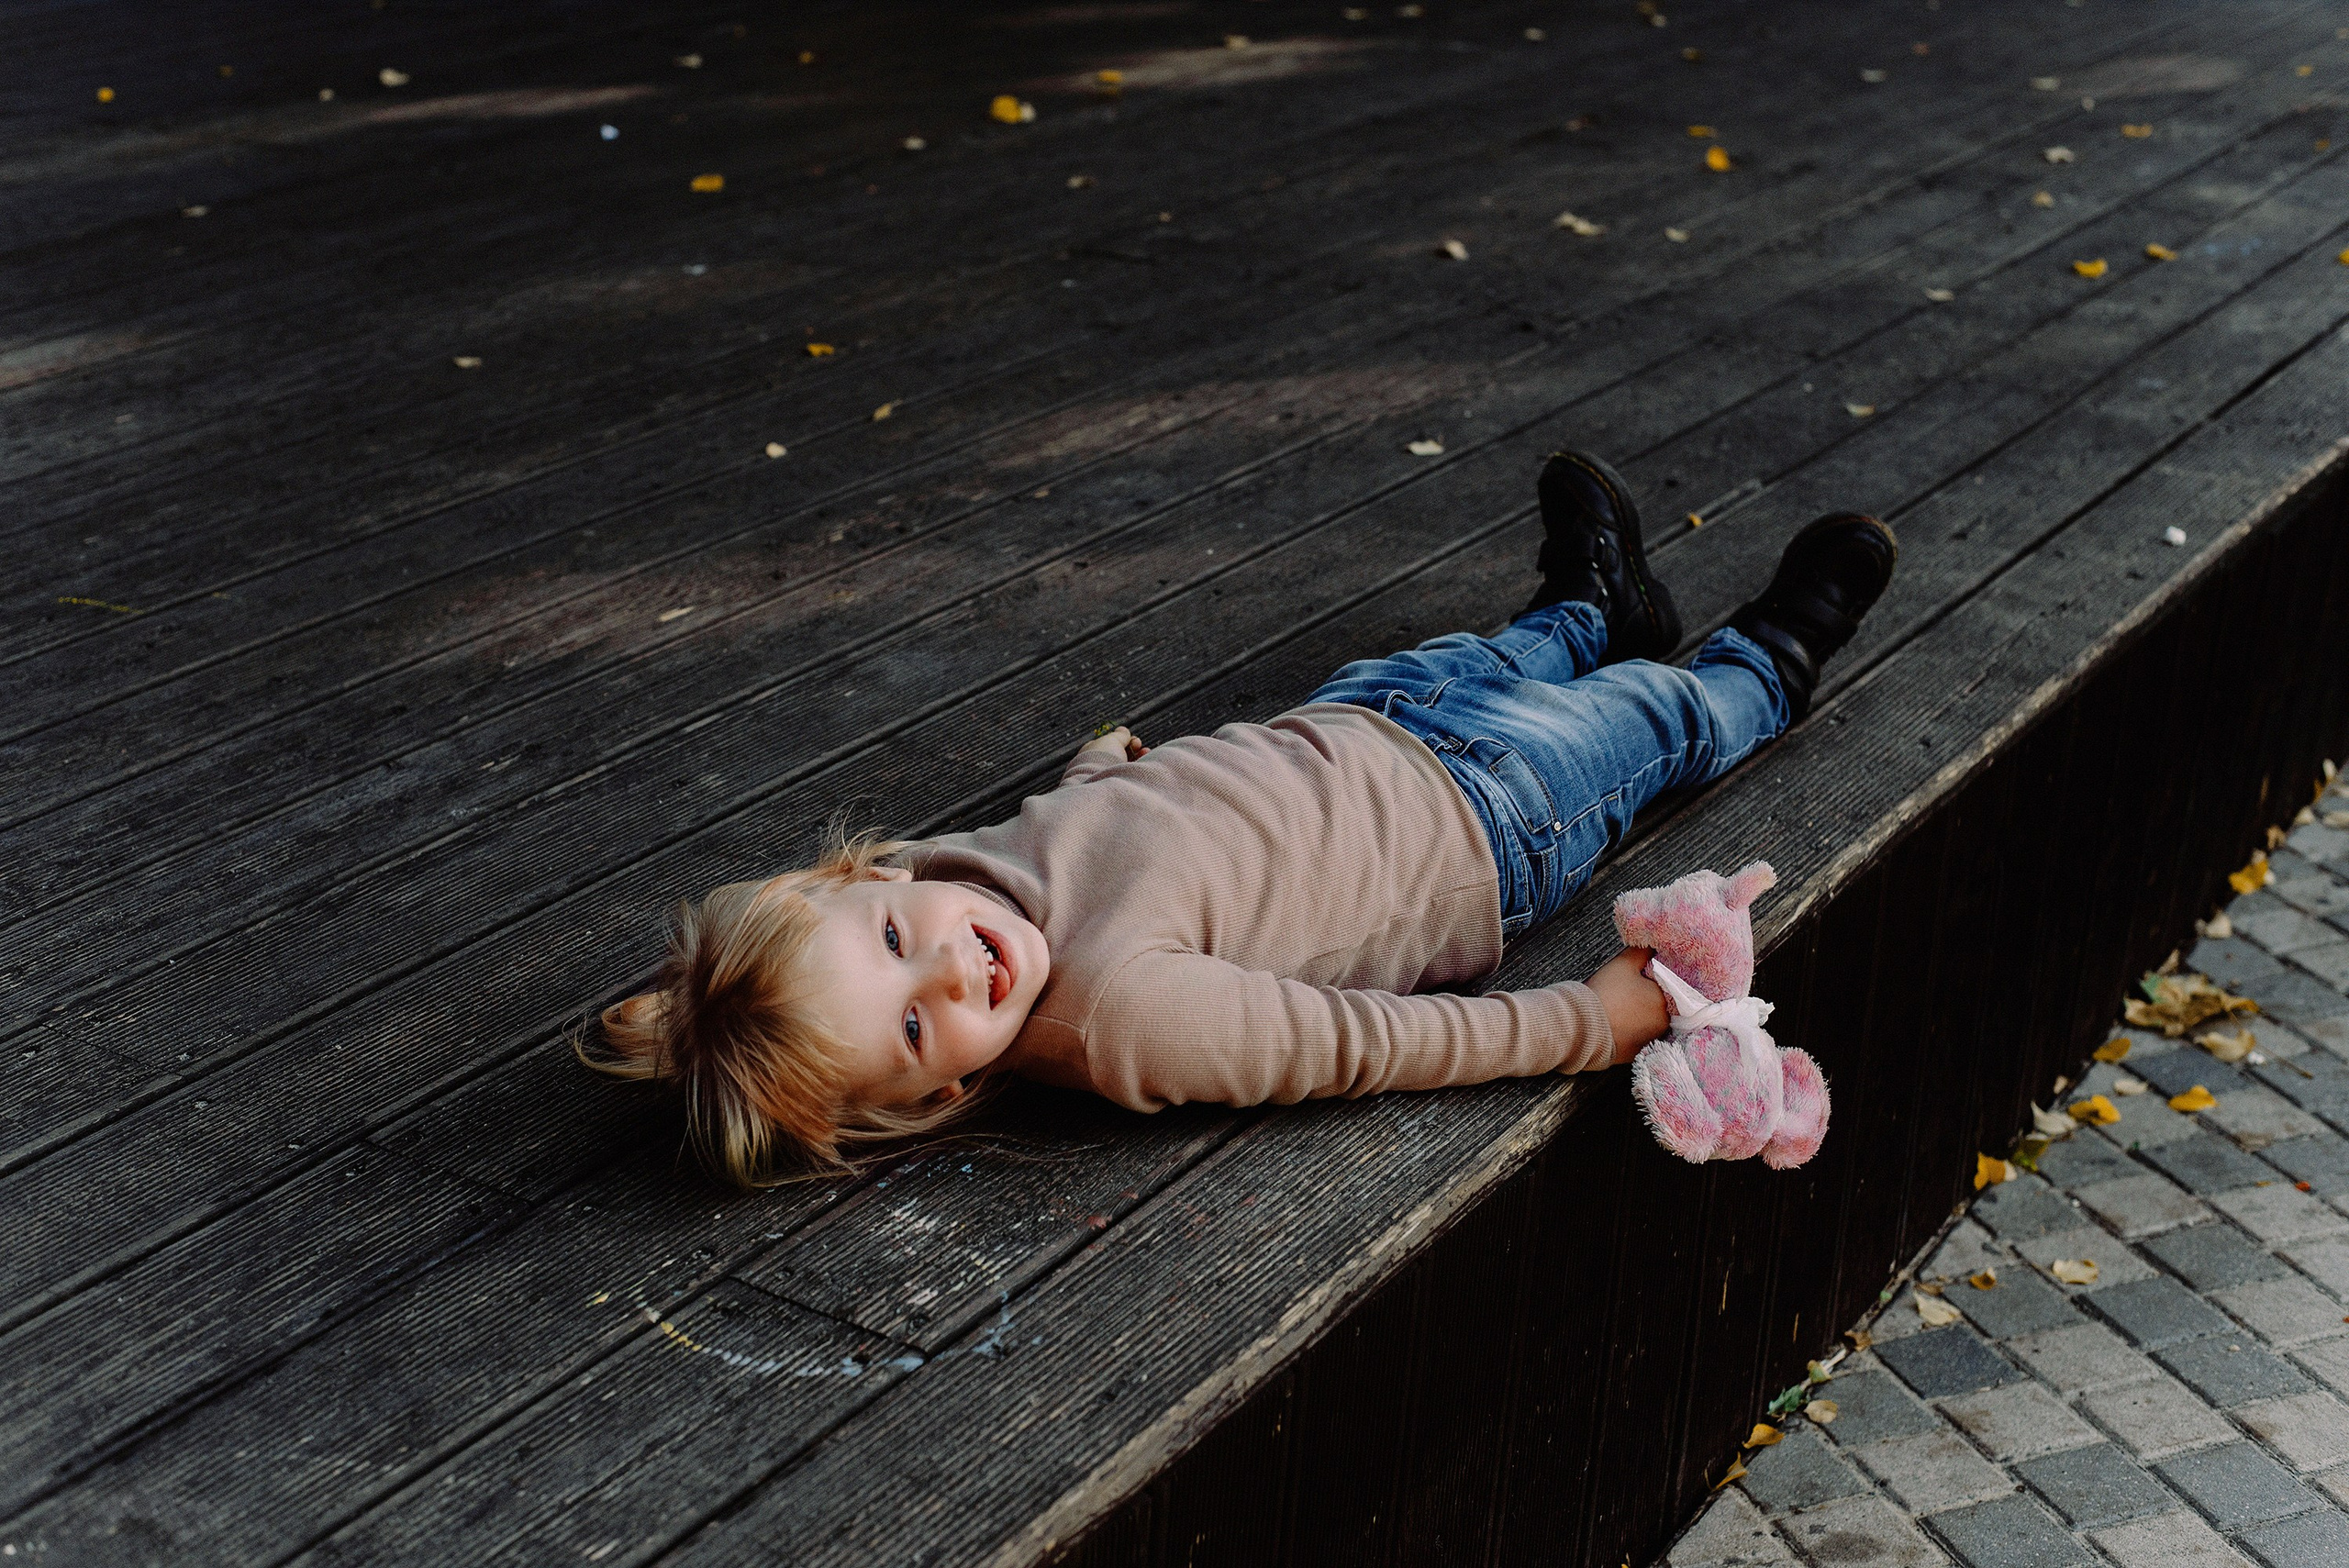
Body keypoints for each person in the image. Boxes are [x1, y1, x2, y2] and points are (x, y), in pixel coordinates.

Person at [582, 451, 1898, 1184]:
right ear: (932, 1091)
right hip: (1491, 821)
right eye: (918, 1022)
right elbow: (1364, 1043)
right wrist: (1579, 1025)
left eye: (887, 934)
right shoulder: (1122, 1018)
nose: (946, 961)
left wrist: (682, 1006)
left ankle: (1588, 609)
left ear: (857, 873)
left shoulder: (954, 881)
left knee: (1499, 652)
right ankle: (1768, 657)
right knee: (1653, 719)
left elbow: (1076, 829)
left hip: (1361, 718)